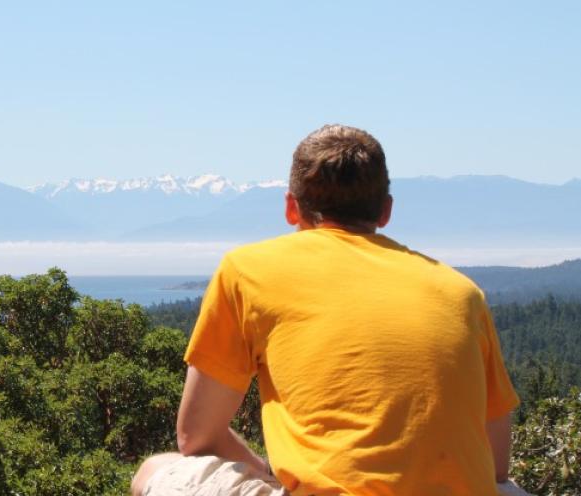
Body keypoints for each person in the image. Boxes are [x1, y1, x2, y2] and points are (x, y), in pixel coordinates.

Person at [131, 124, 527, 495]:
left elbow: (196, 437)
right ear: (385, 211)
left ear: (291, 208)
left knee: (156, 468)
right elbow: (496, 467)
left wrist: (268, 476)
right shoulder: (462, 292)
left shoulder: (247, 270)